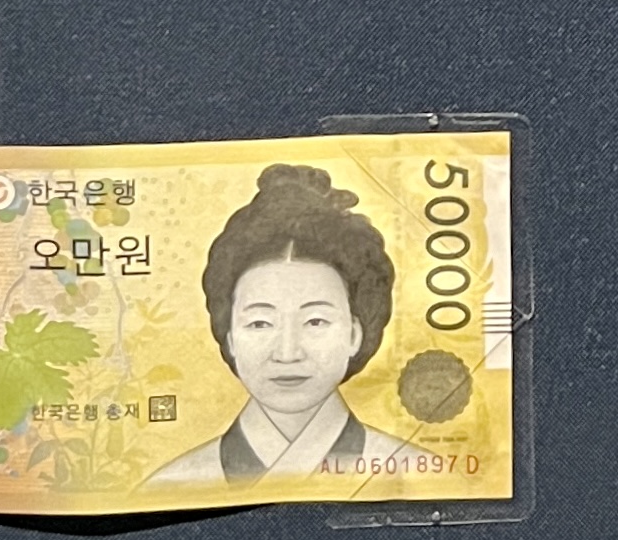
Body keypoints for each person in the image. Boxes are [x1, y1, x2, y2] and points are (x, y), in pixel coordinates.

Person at [150, 162, 424, 485]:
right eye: (260, 323)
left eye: (315, 321)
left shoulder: (415, 475)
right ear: (230, 337)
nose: (287, 353)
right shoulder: (172, 484)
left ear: (355, 333)